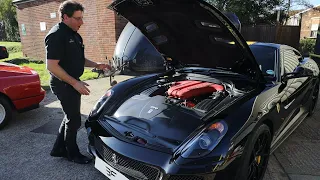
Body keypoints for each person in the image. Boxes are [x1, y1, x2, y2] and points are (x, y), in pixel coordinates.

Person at [45, 0, 110, 164]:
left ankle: (59, 148)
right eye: (78, 18)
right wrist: (75, 83)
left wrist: (96, 65)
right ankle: (72, 154)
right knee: (74, 120)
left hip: (71, 81)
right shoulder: (56, 35)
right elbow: (52, 66)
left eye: (82, 18)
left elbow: (78, 59)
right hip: (63, 83)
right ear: (65, 17)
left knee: (70, 116)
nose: (82, 22)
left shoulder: (74, 33)